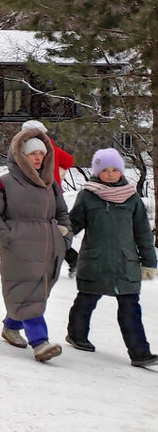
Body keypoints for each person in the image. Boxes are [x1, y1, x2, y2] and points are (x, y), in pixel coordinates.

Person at [0, 126, 72, 362]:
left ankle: (10, 325)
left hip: (48, 248)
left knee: (33, 293)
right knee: (28, 293)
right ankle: (40, 342)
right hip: (19, 250)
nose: (37, 158)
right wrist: (8, 238)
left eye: (41, 154)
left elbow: (62, 212)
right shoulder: (4, 183)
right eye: (32, 153)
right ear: (20, 155)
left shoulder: (49, 184)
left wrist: (64, 237)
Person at [65, 148, 158, 367]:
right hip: (95, 262)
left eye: (115, 169)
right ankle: (76, 335)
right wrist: (59, 239)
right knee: (85, 301)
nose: (110, 174)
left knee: (130, 307)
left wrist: (149, 262)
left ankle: (140, 353)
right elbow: (73, 225)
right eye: (105, 169)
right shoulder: (88, 196)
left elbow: (143, 233)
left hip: (126, 264)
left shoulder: (131, 197)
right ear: (97, 171)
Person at [23, 120, 79, 275]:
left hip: (44, 193)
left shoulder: (24, 150)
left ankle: (70, 259)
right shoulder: (52, 148)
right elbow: (69, 160)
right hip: (53, 193)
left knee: (48, 230)